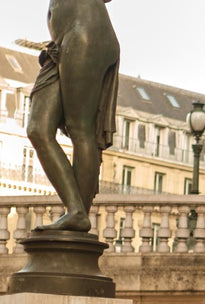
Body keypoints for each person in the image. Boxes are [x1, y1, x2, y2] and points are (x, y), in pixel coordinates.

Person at [27, 0, 120, 231]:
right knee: (38, 129)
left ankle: (78, 214)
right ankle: (76, 211)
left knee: (80, 128)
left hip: (85, 30)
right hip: (65, 40)